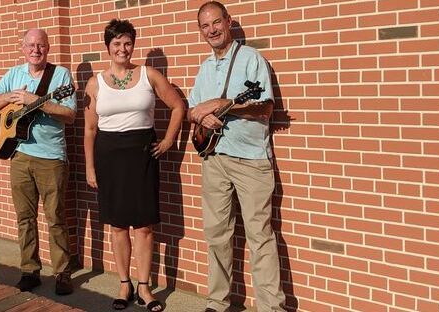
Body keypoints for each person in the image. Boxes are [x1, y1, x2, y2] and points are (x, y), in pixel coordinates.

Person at [187, 2, 287, 312]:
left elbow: (265, 108)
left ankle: (271, 307)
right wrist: (200, 118)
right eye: (205, 26)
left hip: (251, 161)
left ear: (228, 22)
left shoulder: (251, 59)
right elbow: (192, 109)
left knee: (260, 236)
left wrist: (227, 104)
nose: (212, 30)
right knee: (217, 235)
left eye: (217, 23)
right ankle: (218, 301)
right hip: (214, 158)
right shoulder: (205, 67)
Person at [83, 19, 185, 312]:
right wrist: (90, 168)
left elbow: (178, 106)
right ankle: (124, 283)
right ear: (107, 47)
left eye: (127, 43)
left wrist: (167, 142)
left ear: (133, 45)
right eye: (116, 44)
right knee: (117, 226)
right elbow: (90, 130)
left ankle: (144, 287)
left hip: (142, 155)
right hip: (108, 157)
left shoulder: (148, 75)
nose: (122, 49)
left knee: (143, 227)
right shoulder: (95, 82)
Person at [0, 28, 76, 296]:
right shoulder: (14, 74)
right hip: (20, 156)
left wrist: (38, 102)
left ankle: (62, 273)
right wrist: (7, 98)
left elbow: (70, 114)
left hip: (51, 158)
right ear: (23, 48)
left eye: (41, 45)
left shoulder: (61, 76)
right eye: (31, 45)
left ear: (48, 47)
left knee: (55, 217)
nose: (36, 50)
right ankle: (29, 270)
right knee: (25, 217)